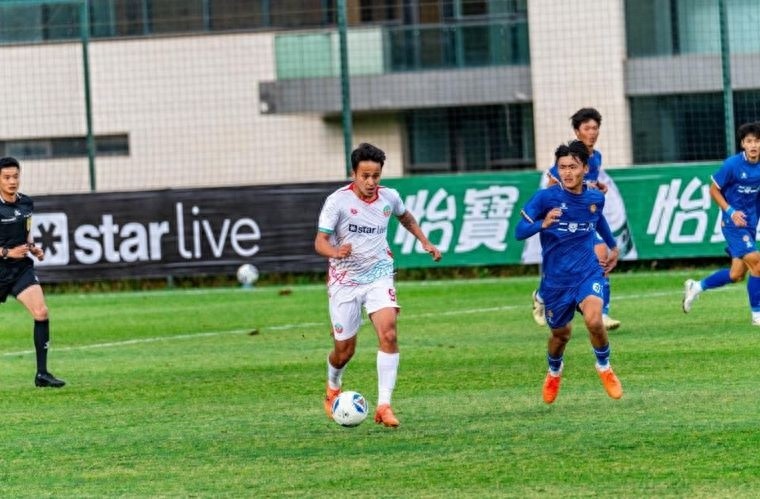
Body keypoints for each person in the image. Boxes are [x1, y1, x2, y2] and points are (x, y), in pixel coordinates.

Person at [315, 143, 441, 427]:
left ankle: (384, 405)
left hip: (379, 274)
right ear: (354, 174)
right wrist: (336, 252)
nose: (371, 182)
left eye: (376, 176)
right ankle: (333, 386)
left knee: (389, 333)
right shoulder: (337, 202)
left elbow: (405, 217)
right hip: (344, 281)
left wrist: (425, 241)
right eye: (365, 176)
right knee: (344, 351)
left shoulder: (389, 197)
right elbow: (319, 242)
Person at [515, 141, 622, 403]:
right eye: (562, 167)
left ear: (585, 168)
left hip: (587, 272)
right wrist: (542, 224)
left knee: (594, 321)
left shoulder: (595, 197)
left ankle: (604, 367)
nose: (567, 172)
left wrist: (612, 246)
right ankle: (554, 371)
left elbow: (598, 218)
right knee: (560, 336)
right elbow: (519, 231)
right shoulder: (546, 198)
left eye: (572, 167)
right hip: (556, 280)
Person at [531, 107, 627, 331]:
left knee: (600, 255)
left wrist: (596, 187)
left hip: (585, 219)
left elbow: (588, 183)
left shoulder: (596, 157)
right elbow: (551, 188)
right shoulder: (568, 160)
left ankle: (602, 312)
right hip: (564, 222)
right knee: (562, 268)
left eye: (595, 128)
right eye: (587, 128)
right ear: (577, 131)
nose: (592, 133)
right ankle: (541, 296)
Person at [683, 122, 760, 323]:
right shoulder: (732, 165)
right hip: (733, 224)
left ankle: (696, 287)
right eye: (749, 141)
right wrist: (731, 211)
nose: (754, 145)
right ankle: (757, 315)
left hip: (750, 225)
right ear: (743, 144)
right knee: (758, 264)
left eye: (757, 141)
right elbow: (713, 189)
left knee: (736, 274)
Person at [0, 157, 65, 388]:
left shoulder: (26, 203)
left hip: (20, 270)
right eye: (6, 177)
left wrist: (33, 247)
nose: (12, 181)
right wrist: (6, 252)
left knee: (41, 312)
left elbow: (26, 234)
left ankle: (42, 374)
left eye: (15, 176)